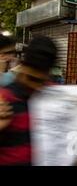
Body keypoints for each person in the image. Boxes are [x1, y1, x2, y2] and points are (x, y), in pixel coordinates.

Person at [0, 36, 58, 166]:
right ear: (22, 67)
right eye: (32, 79)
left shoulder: (53, 94)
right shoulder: (4, 97)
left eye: (41, 81)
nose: (36, 87)